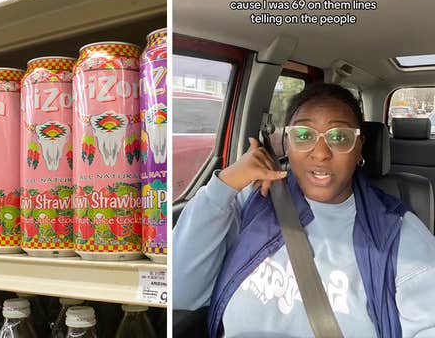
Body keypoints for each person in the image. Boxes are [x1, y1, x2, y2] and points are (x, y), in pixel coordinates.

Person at [173, 84, 435, 337]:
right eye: (303, 135)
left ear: (359, 149)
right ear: (287, 143)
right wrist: (225, 185)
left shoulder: (399, 236)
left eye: (339, 137)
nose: (320, 153)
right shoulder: (252, 200)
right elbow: (180, 291)